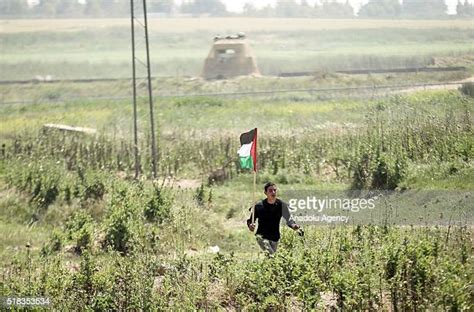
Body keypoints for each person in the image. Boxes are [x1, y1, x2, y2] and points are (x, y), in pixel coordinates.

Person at [246, 182, 303, 255]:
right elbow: (250, 221)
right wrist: (250, 226)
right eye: (270, 190)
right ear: (265, 193)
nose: (273, 192)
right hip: (262, 237)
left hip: (275, 237)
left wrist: (294, 226)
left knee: (271, 261)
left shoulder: (281, 205)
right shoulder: (259, 206)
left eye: (274, 190)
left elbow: (289, 220)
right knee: (272, 257)